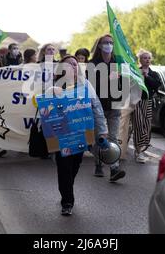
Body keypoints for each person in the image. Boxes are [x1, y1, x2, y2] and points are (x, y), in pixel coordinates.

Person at [48, 55, 108, 216]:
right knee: (64, 167)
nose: (72, 67)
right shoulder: (54, 87)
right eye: (68, 65)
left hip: (81, 133)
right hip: (62, 135)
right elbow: (45, 110)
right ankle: (67, 201)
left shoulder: (85, 85)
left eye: (75, 65)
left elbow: (96, 107)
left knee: (75, 165)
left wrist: (102, 129)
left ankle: (66, 189)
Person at [87, 34, 126, 182]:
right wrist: (106, 79)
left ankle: (114, 168)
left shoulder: (118, 63)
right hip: (98, 106)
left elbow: (124, 83)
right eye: (105, 42)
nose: (109, 44)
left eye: (111, 42)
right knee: (100, 138)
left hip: (115, 105)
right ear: (99, 45)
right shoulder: (92, 64)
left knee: (113, 137)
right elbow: (90, 86)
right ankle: (98, 164)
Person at [131, 50, 162, 163]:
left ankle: (143, 148)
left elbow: (156, 85)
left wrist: (147, 76)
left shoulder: (154, 74)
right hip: (137, 102)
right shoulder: (135, 71)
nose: (147, 60)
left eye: (149, 58)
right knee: (139, 125)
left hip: (148, 102)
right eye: (144, 58)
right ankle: (138, 151)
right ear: (140, 60)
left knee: (147, 126)